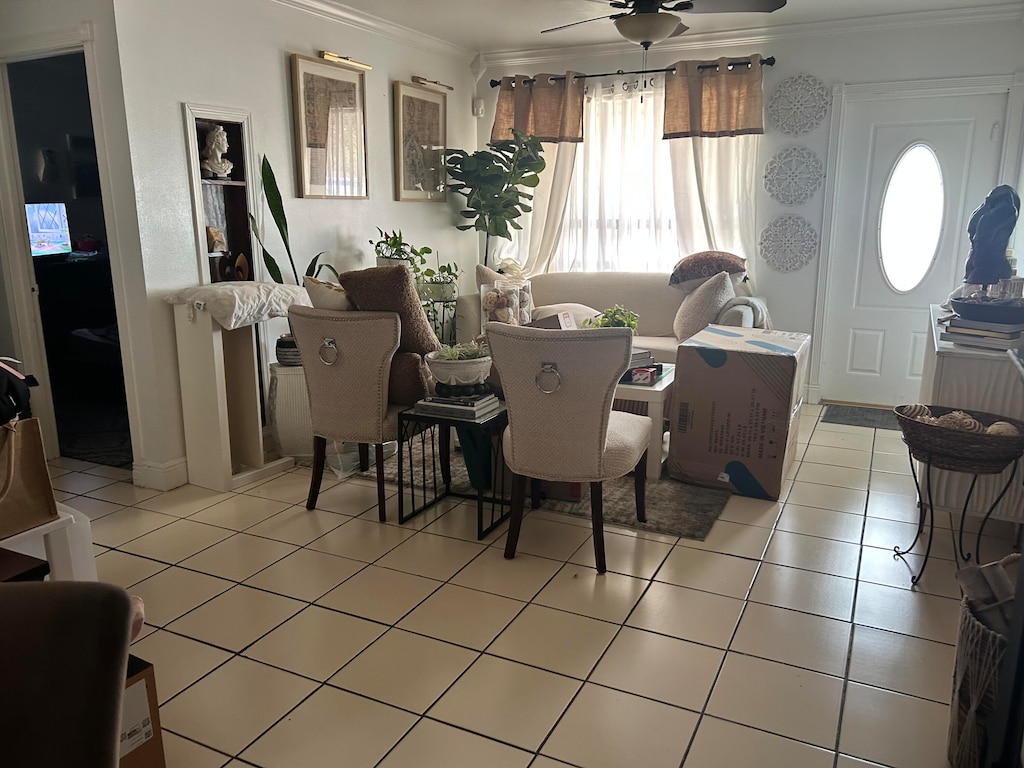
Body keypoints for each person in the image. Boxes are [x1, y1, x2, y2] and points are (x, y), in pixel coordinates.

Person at [963, 184, 1020, 286]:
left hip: (979, 271)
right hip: (983, 271)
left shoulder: (984, 215)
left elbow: (979, 238)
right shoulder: (1001, 212)